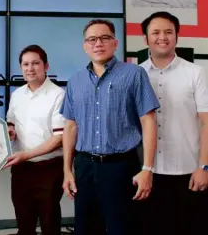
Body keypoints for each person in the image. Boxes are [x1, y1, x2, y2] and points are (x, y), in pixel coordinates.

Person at [60, 19, 159, 235]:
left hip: (121, 168)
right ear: (84, 46)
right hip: (84, 167)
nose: (98, 43)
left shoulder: (134, 74)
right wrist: (68, 171)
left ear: (115, 43)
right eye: (92, 39)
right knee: (86, 229)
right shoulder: (75, 81)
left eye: (104, 38)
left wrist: (147, 169)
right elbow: (70, 127)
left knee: (122, 228)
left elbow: (148, 120)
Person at [139, 11, 208, 235]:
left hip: (188, 171)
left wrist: (204, 167)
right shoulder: (136, 74)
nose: (162, 37)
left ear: (177, 36)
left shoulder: (195, 73)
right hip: (147, 172)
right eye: (156, 32)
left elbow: (207, 123)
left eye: (169, 32)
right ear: (146, 38)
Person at [5, 45, 66, 235]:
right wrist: (9, 131)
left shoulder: (58, 95)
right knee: (24, 222)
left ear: (46, 66)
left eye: (35, 63)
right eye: (25, 64)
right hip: (21, 168)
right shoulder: (17, 94)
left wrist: (26, 155)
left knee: (49, 222)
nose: (30, 68)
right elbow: (11, 123)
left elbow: (60, 138)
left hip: (49, 168)